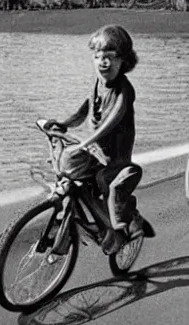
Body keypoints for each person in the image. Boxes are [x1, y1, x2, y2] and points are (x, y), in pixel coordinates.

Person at [45, 25, 144, 254]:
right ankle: (73, 226)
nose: (103, 62)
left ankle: (124, 225)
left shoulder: (124, 90)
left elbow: (112, 120)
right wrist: (63, 124)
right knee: (69, 173)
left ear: (124, 61)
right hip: (96, 151)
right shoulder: (97, 83)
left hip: (114, 157)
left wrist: (86, 141)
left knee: (103, 181)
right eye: (98, 56)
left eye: (110, 57)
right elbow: (83, 112)